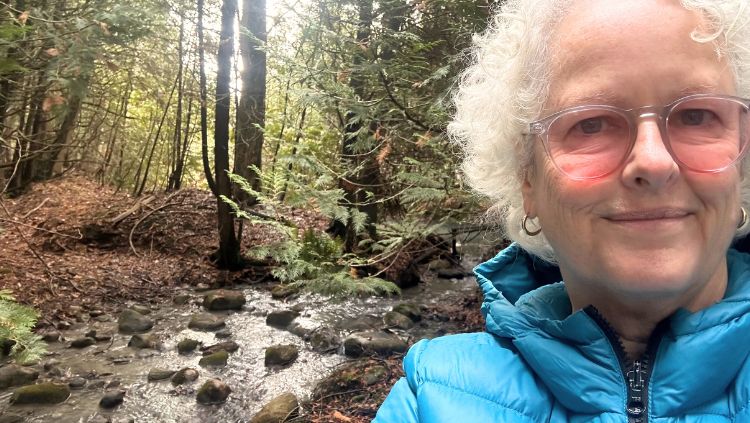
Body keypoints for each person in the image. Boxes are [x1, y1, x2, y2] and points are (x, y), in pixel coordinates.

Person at [374, 0, 750, 421]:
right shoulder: (432, 397)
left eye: (697, 115)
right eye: (590, 123)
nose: (654, 162)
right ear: (527, 178)